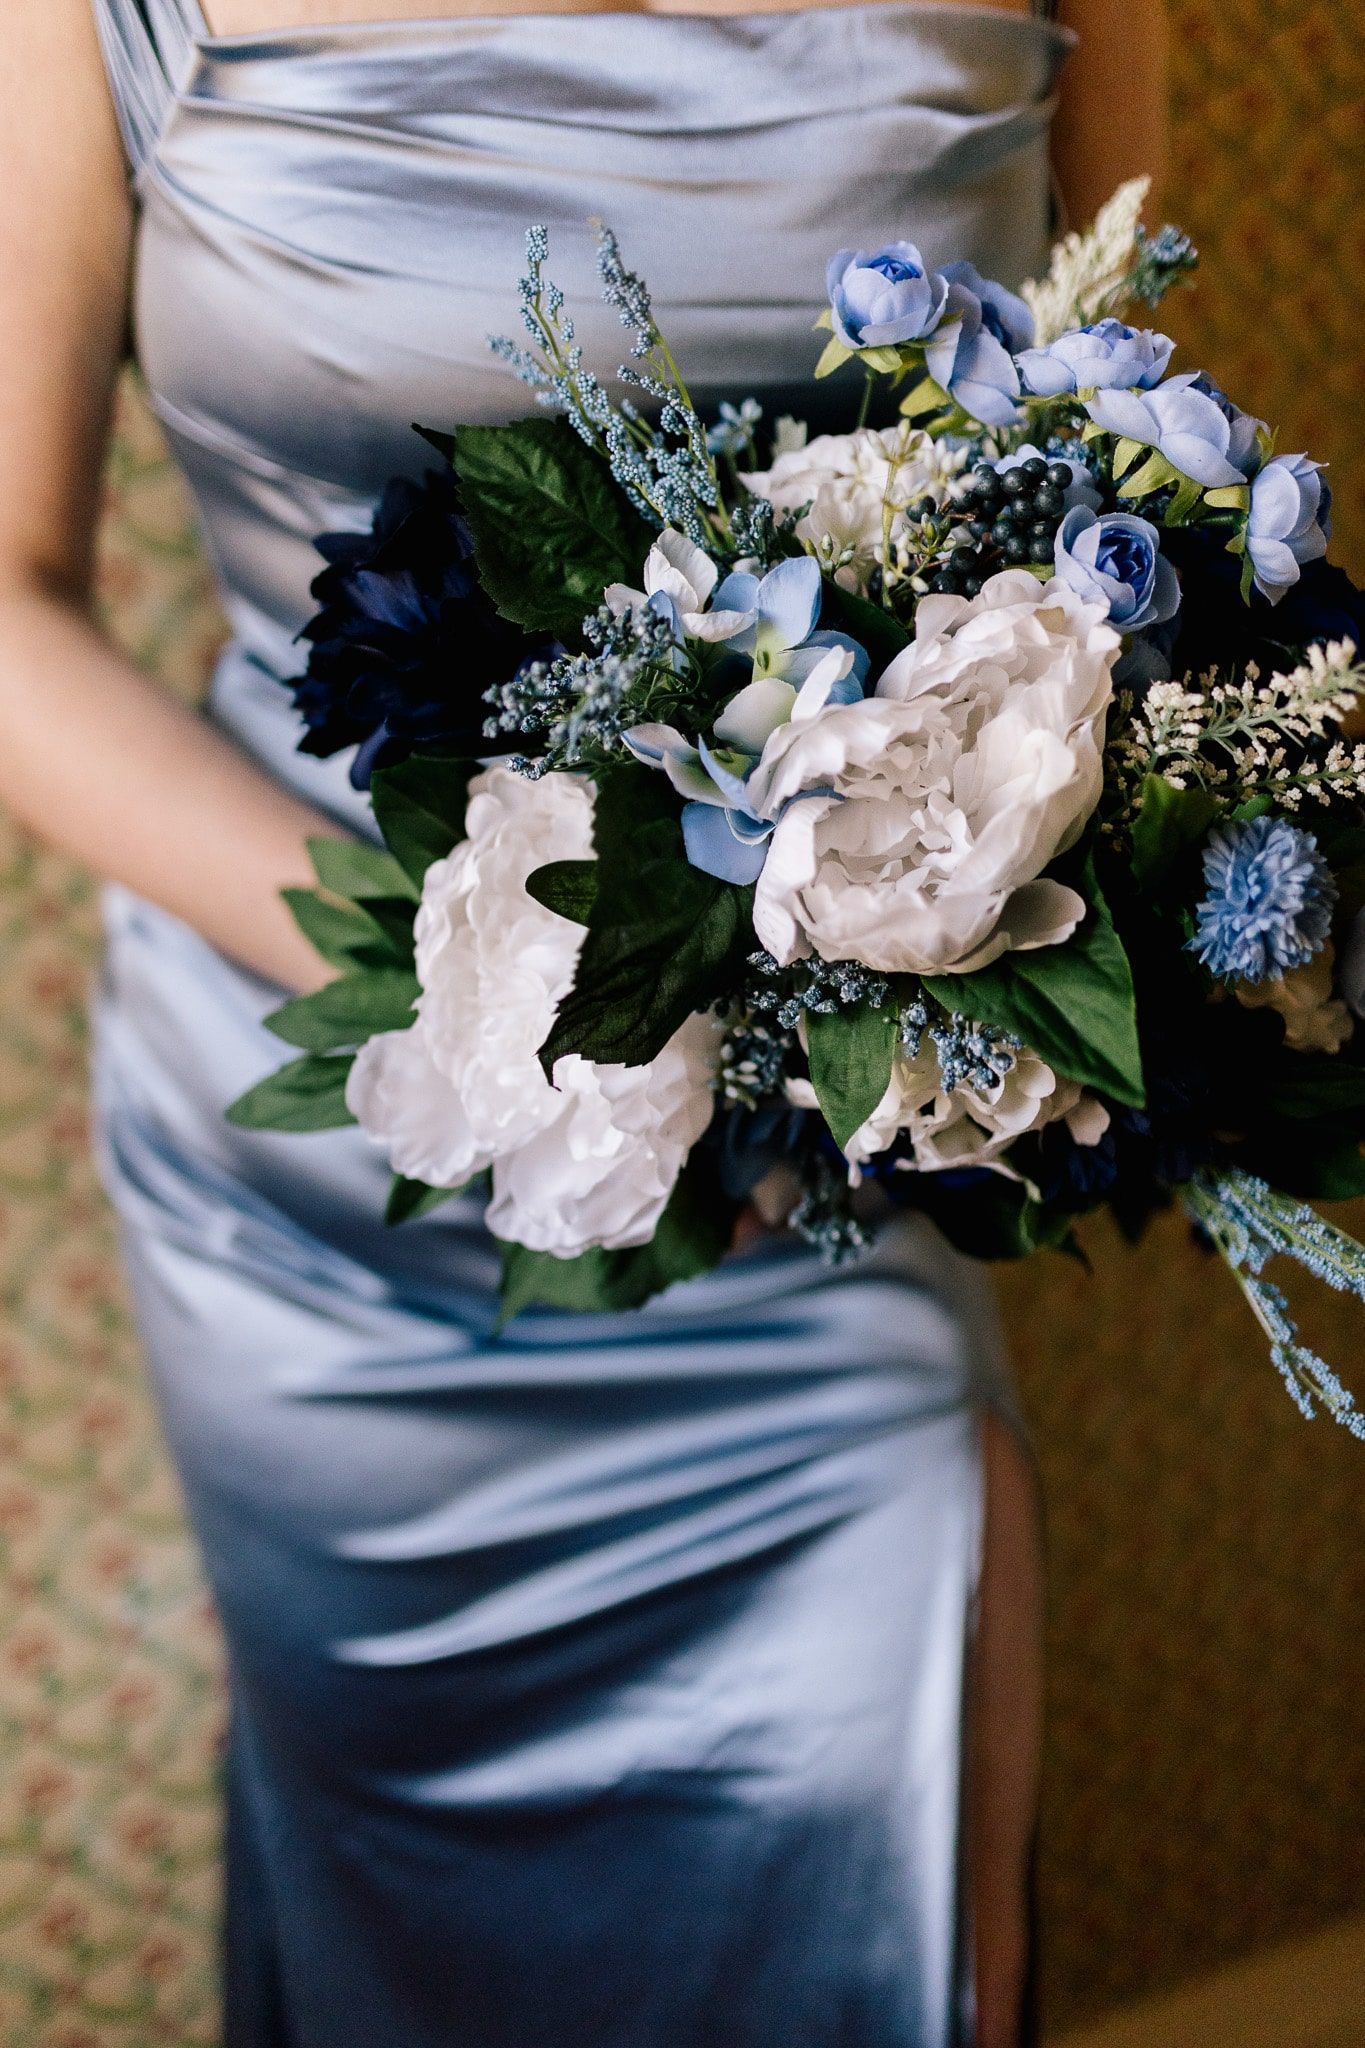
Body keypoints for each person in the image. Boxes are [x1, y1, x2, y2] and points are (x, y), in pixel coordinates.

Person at [1, 1, 1166, 2042]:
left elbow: (1112, 477)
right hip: (341, 1168)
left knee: (882, 1731)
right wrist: (457, 965)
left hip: (812, 1149)